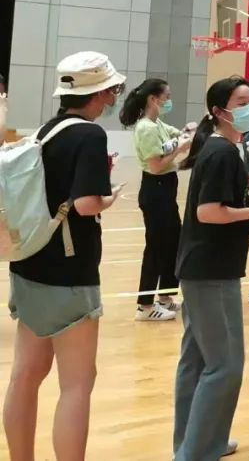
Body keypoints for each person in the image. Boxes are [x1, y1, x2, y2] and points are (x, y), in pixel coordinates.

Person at [4, 52, 123, 461]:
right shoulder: (90, 136)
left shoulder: (47, 130)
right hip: (69, 272)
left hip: (29, 262)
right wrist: (109, 198)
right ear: (102, 93)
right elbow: (87, 204)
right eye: (112, 89)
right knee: (77, 383)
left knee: (25, 374)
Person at [173, 76, 249, 461]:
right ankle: (196, 451)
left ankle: (199, 443)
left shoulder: (222, 149)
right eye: (242, 102)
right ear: (219, 111)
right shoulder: (220, 153)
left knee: (197, 361)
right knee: (225, 365)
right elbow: (208, 212)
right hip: (212, 271)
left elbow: (218, 201)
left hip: (202, 268)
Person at [119, 78, 191, 322]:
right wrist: (179, 149)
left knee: (172, 243)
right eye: (166, 96)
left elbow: (178, 135)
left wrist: (188, 133)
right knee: (156, 247)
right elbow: (156, 165)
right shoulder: (145, 128)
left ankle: (166, 296)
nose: (169, 100)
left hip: (166, 189)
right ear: (153, 98)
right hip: (155, 189)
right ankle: (145, 306)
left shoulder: (157, 123)